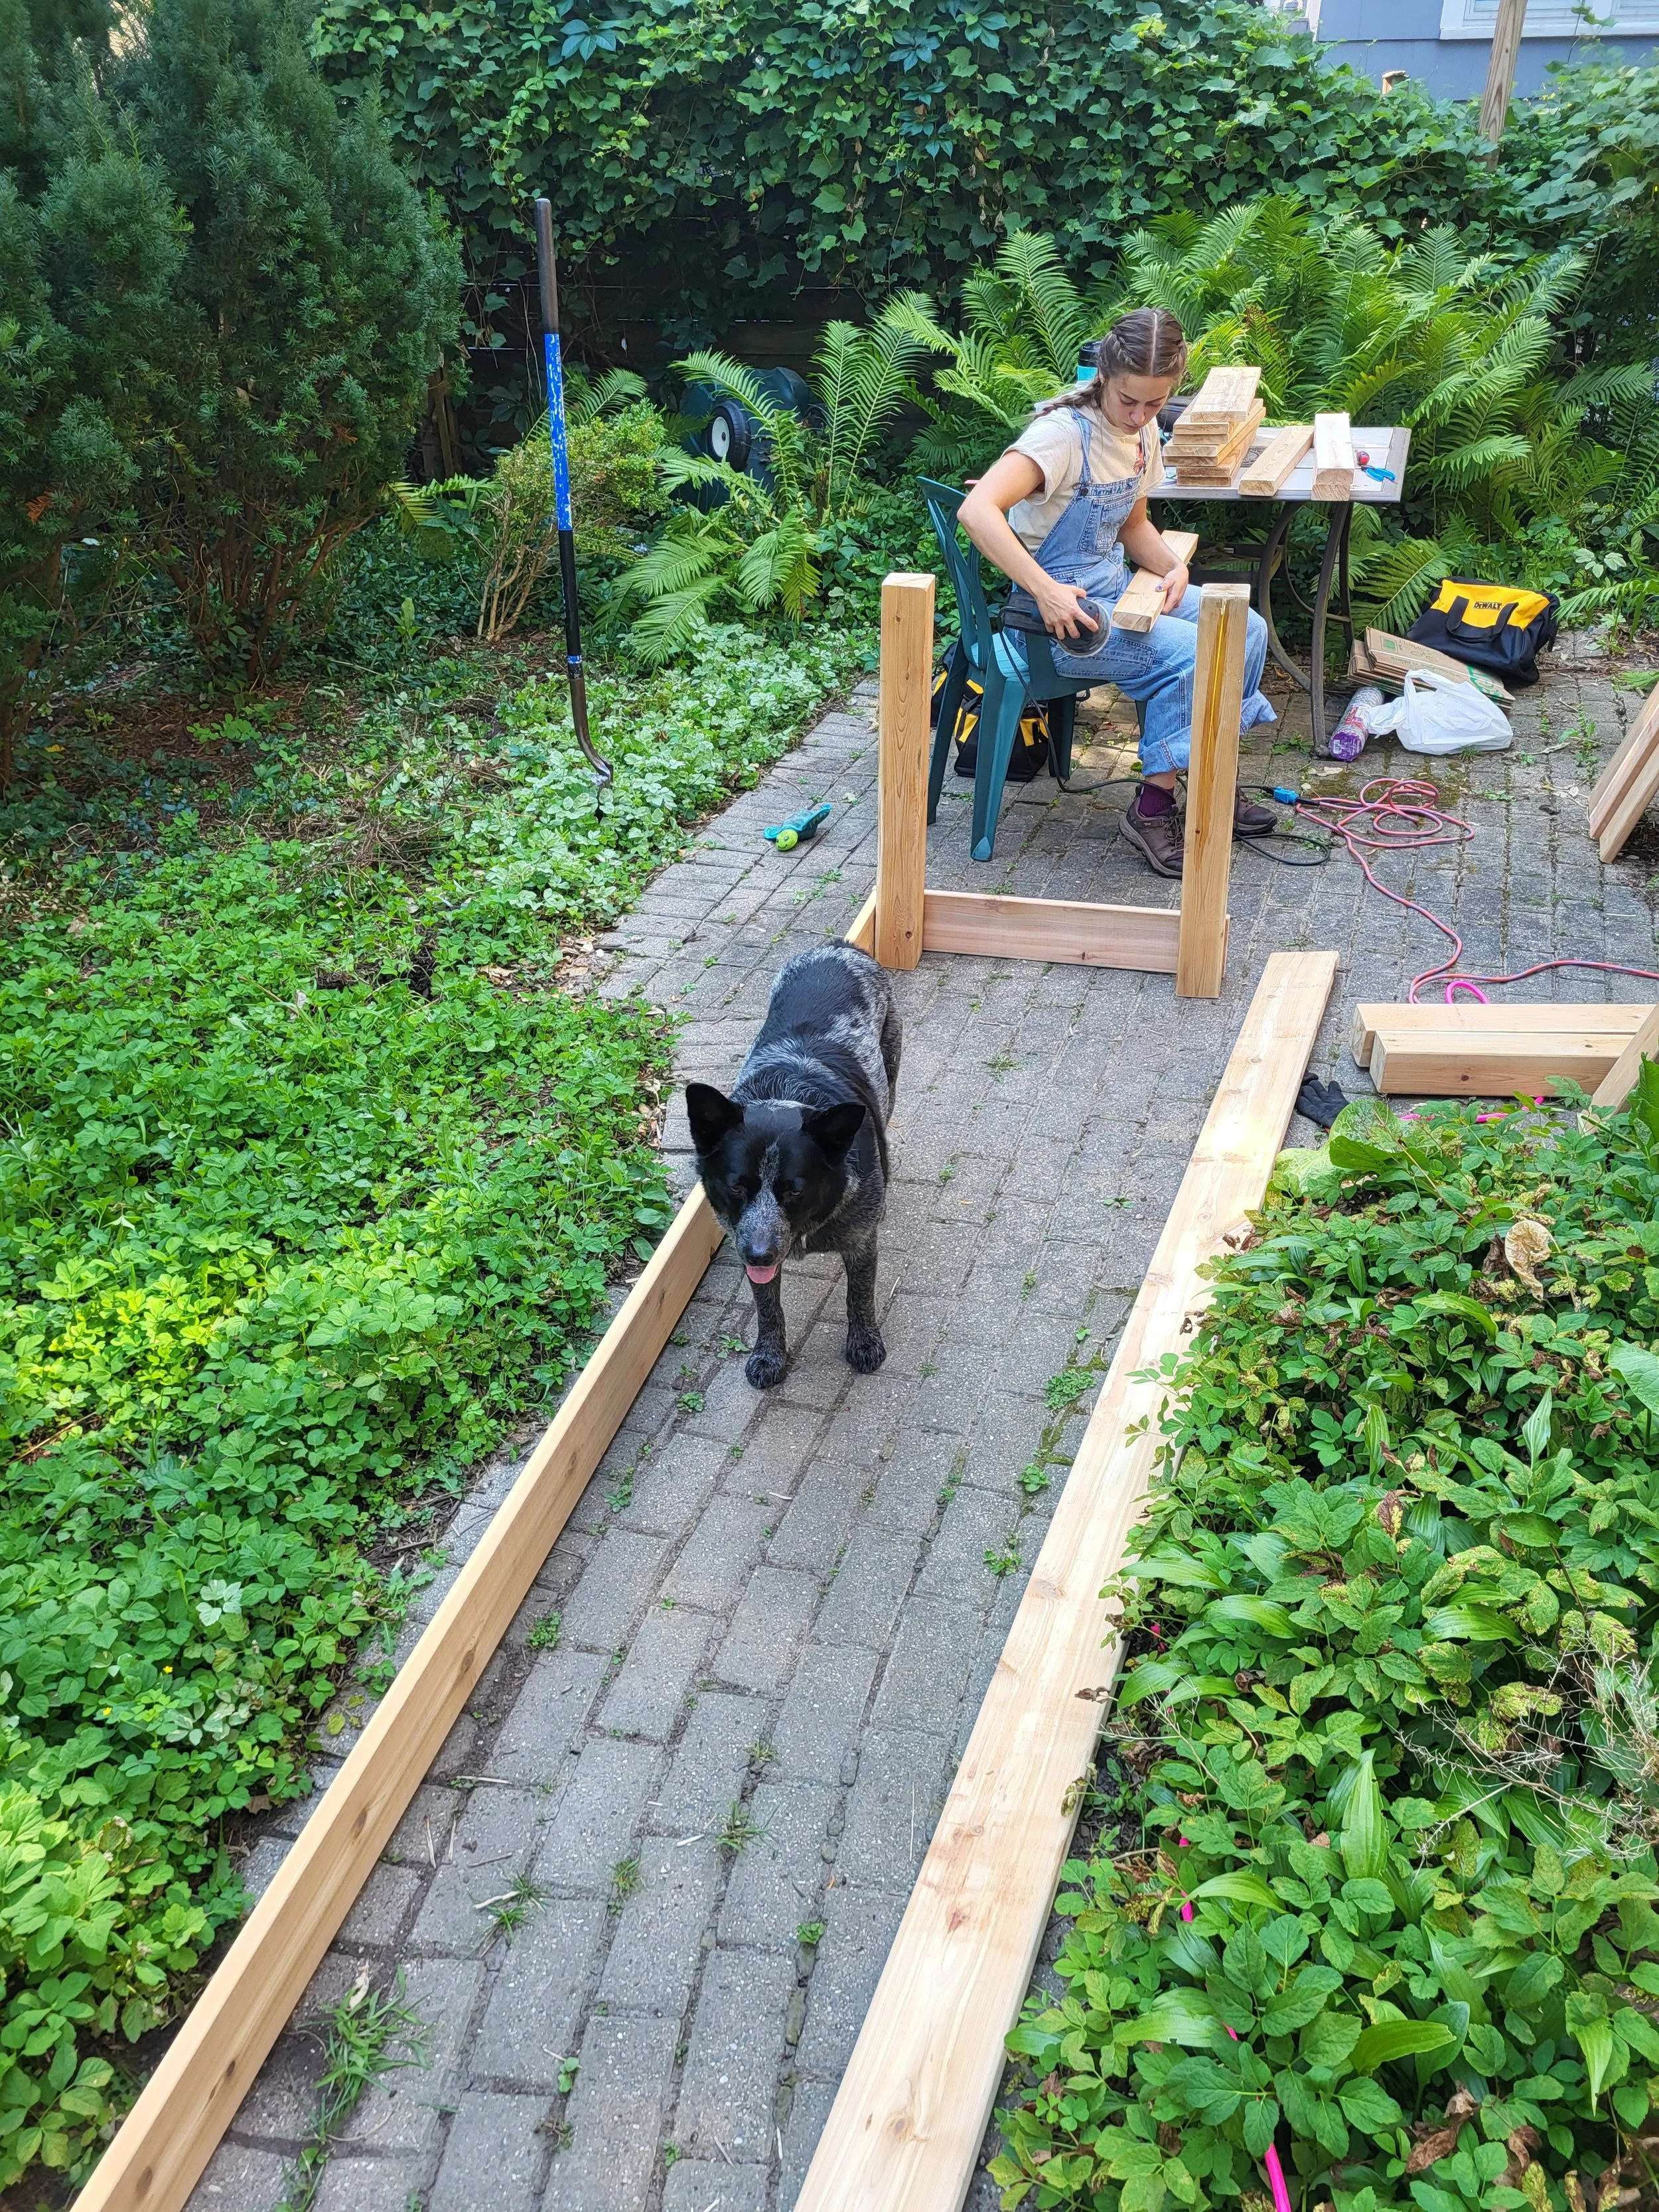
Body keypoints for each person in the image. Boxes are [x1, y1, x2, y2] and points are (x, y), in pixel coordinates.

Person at [956, 307, 1277, 877]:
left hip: (1116, 594)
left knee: (1245, 627)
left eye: (1155, 403)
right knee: (1191, 656)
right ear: (1103, 374)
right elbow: (977, 510)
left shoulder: (1143, 433)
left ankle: (1211, 784)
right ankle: (1152, 811)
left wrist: (1173, 566)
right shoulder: (1061, 437)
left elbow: (1132, 528)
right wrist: (1048, 591)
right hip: (1054, 620)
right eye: (1129, 400)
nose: (1139, 415)